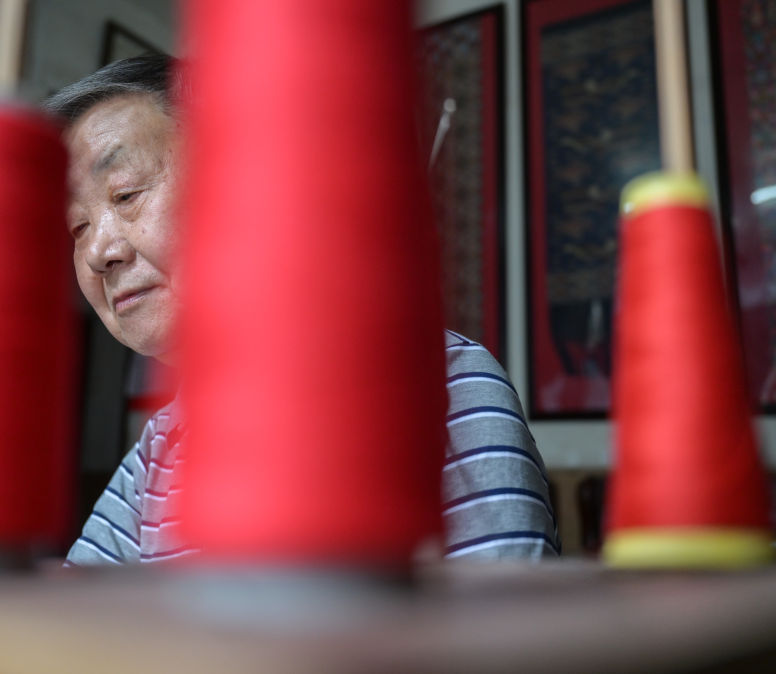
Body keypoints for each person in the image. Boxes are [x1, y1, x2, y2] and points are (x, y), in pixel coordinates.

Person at [45, 54, 560, 565]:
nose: (97, 252)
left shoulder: (440, 386)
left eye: (126, 194)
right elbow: (68, 611)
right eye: (77, 227)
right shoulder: (159, 448)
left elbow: (505, 613)